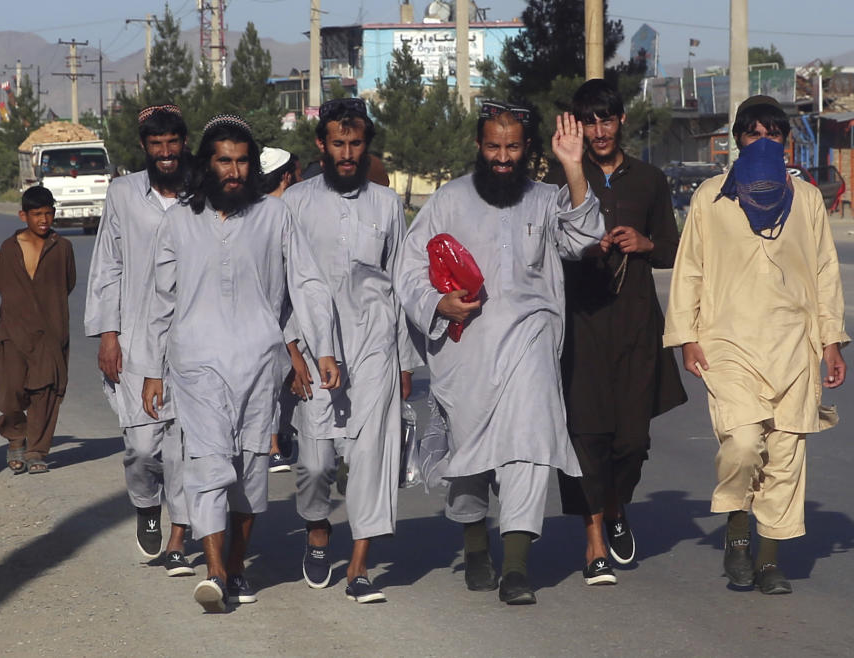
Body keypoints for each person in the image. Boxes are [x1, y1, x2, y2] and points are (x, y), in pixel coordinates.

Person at [395, 101, 604, 605]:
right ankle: (474, 546)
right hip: (466, 354)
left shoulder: (548, 199)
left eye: (512, 147)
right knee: (469, 461)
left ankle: (515, 566)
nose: (503, 157)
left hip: (531, 343)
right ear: (479, 147)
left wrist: (575, 166)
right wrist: (437, 303)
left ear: (527, 148)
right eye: (494, 146)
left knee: (529, 449)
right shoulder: (447, 200)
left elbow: (585, 238)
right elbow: (408, 272)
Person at [134, 114, 339, 613]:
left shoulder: (275, 217)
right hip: (196, 362)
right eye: (224, 160)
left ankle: (239, 564)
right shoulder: (180, 220)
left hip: (258, 363)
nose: (234, 171)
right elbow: (160, 299)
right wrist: (153, 369)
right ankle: (215, 572)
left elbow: (306, 284)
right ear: (207, 163)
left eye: (243, 161)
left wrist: (324, 347)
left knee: (250, 470)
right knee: (207, 464)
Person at [663, 95, 848, 595]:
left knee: (786, 455)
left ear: (785, 142)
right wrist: (685, 336)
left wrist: (832, 340)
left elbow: (825, 271)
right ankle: (738, 531)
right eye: (753, 133)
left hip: (793, 345)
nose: (763, 142)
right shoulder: (710, 197)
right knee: (743, 445)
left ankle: (768, 560)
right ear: (737, 141)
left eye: (773, 134)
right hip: (729, 343)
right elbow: (690, 271)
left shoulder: (806, 200)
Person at [545, 79, 687, 585]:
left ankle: (615, 504)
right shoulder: (560, 179)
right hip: (580, 325)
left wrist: (644, 242)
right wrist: (589, 247)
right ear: (577, 126)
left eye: (607, 120)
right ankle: (594, 542)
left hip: (635, 325)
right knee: (586, 438)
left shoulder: (648, 179)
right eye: (590, 121)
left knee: (631, 441)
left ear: (621, 121)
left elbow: (674, 252)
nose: (599, 131)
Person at [283, 97, 420, 604]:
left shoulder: (387, 205)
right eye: (338, 144)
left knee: (370, 458)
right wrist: (294, 353)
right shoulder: (294, 202)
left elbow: (402, 284)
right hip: (314, 348)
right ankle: (318, 529)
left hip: (374, 347)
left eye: (355, 144)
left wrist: (405, 359)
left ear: (366, 146)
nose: (347, 153)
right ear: (321, 145)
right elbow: (283, 286)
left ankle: (359, 567)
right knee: (316, 462)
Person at [85, 104, 195, 576]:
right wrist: (109, 334)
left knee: (185, 447)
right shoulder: (124, 194)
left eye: (173, 142)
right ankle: (147, 503)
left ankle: (179, 536)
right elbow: (108, 266)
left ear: (184, 143)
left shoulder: (201, 193)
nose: (166, 152)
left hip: (191, 338)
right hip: (135, 338)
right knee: (144, 446)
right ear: (145, 147)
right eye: (157, 144)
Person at [0, 186, 76, 475]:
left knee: (46, 391)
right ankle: (16, 438)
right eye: (37, 214)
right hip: (13, 332)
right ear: (23, 215)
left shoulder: (62, 247)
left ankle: (36, 450)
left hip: (50, 333)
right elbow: (3, 286)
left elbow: (68, 284)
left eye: (48, 213)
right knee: (11, 391)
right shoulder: (9, 247)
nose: (44, 219)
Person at [259, 146, 310, 473]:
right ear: (287, 175)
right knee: (278, 378)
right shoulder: (279, 213)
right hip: (277, 315)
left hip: (286, 313)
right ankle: (273, 444)